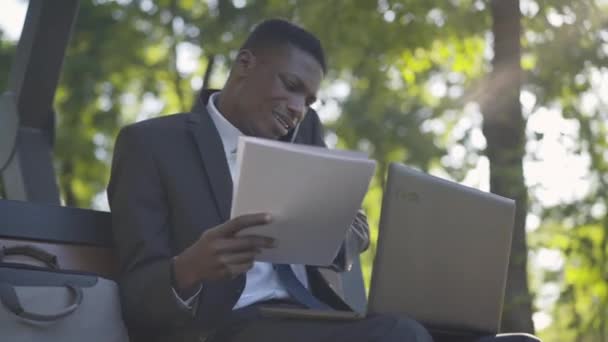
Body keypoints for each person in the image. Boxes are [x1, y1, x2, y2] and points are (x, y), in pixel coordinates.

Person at [108, 19, 539, 342]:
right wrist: (190, 267)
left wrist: (349, 234)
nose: (298, 108)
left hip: (314, 318)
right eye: (291, 86)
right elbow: (137, 292)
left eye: (309, 100)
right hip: (224, 327)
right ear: (244, 64)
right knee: (399, 336)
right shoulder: (151, 145)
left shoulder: (306, 133)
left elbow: (338, 244)